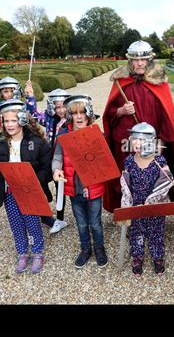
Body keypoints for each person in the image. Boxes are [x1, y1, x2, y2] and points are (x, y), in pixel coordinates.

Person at [0, 99, 52, 274]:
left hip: (30, 190)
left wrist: (33, 180)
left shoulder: (37, 142)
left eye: (13, 120)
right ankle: (22, 253)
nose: (9, 125)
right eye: (6, 121)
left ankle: (37, 253)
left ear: (22, 119)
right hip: (9, 191)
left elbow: (48, 168)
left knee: (32, 222)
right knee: (16, 223)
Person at [102, 40, 174, 213]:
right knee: (127, 180)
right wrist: (121, 111)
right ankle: (129, 216)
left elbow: (167, 118)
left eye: (143, 59)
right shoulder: (120, 82)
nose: (139, 63)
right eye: (136, 60)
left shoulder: (160, 83)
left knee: (151, 181)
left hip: (151, 144)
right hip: (125, 143)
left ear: (149, 60)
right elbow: (109, 115)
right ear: (130, 60)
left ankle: (151, 216)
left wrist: (161, 144)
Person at [52, 95, 108, 269]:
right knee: (81, 223)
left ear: (88, 113)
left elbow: (105, 159)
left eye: (82, 112)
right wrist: (56, 169)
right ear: (69, 115)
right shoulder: (63, 134)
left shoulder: (97, 134)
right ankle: (85, 249)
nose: (79, 116)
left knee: (96, 223)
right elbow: (58, 157)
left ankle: (99, 248)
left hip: (94, 187)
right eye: (74, 113)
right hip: (74, 188)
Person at [120, 122, 173, 277]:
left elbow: (165, 183)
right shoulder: (129, 161)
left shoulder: (159, 160)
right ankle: (137, 257)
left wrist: (154, 199)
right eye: (134, 139)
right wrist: (126, 205)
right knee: (137, 232)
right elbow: (125, 183)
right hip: (136, 205)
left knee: (156, 232)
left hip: (155, 205)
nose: (137, 143)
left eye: (141, 140)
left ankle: (158, 257)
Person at [34, 88, 71, 234]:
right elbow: (35, 115)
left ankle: (60, 219)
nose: (61, 110)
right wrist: (30, 96)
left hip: (63, 159)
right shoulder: (50, 119)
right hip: (50, 156)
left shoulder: (71, 120)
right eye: (57, 107)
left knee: (60, 188)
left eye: (63, 106)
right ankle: (47, 197)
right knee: (40, 178)